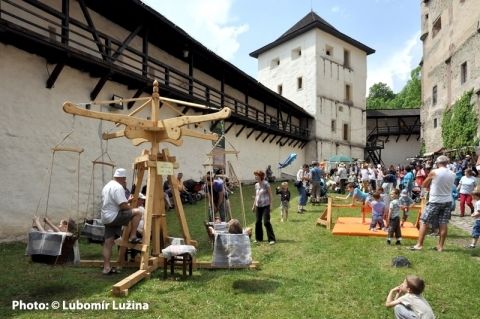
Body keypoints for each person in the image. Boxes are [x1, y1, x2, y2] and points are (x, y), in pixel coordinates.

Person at [101, 168, 143, 275]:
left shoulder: (107, 186)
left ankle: (106, 268)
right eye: (124, 179)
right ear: (122, 178)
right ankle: (133, 236)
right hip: (114, 216)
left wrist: (127, 201)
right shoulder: (118, 187)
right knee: (138, 212)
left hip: (106, 217)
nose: (125, 181)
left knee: (108, 243)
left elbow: (114, 202)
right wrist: (131, 207)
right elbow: (123, 206)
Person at [410, 155, 455, 252]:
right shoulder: (452, 173)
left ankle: (419, 245)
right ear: (447, 163)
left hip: (435, 201)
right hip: (447, 200)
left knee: (424, 221)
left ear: (438, 163)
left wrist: (431, 185)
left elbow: (424, 184)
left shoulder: (434, 172)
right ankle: (440, 246)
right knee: (443, 223)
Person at [252, 170, 276, 245]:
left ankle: (272, 239)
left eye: (257, 175)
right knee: (257, 222)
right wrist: (253, 206)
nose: (255, 176)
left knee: (266, 222)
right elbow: (256, 196)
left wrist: (271, 205)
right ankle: (259, 238)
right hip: (258, 206)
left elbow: (270, 194)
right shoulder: (256, 185)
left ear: (261, 176)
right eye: (255, 175)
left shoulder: (266, 184)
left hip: (266, 205)